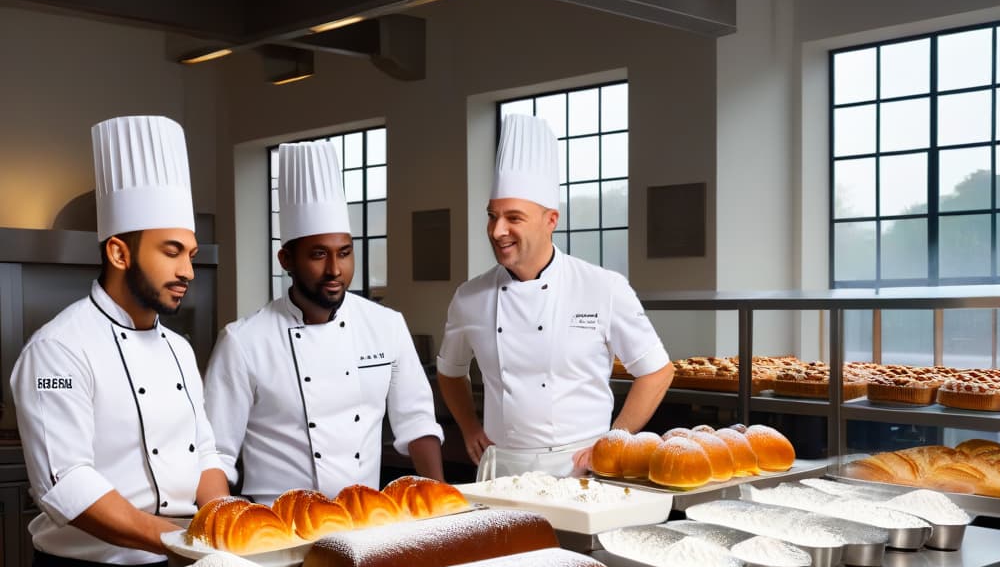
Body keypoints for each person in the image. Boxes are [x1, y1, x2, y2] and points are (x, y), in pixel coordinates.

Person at [11, 115, 229, 567]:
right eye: (171, 252)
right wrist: (181, 539)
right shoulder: (58, 349)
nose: (188, 271)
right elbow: (67, 483)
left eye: (190, 254)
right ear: (118, 253)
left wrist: (222, 530)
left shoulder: (179, 349)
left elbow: (205, 455)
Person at [204, 140, 443, 504]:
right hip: (276, 525)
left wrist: (441, 501)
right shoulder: (243, 342)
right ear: (286, 259)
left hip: (362, 522)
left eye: (344, 253)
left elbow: (418, 423)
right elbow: (216, 453)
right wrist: (227, 527)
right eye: (318, 255)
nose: (335, 270)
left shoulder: (386, 325)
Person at [437, 114, 674, 478]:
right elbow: (450, 372)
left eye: (513, 218)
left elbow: (657, 372)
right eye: (492, 216)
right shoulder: (470, 297)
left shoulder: (603, 287)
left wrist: (613, 443)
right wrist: (469, 427)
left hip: (582, 470)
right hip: (503, 473)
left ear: (551, 220)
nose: (498, 230)